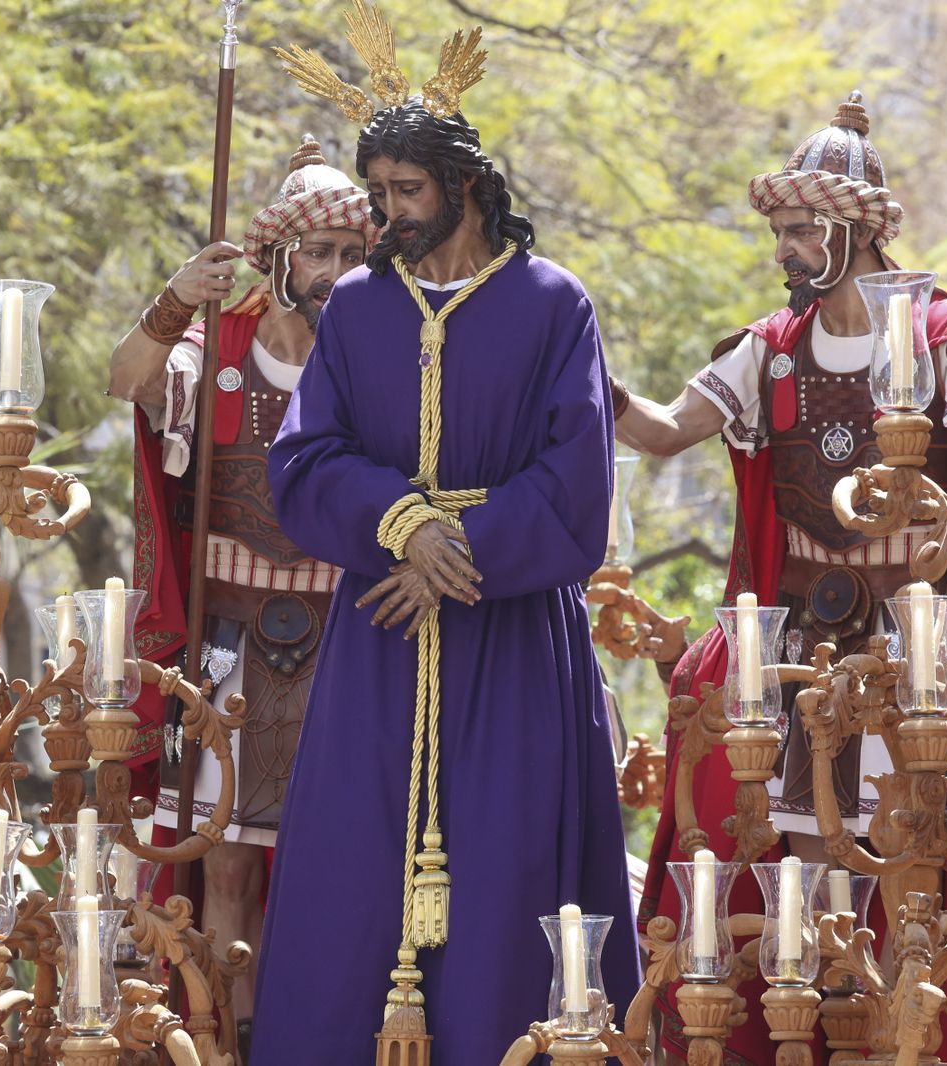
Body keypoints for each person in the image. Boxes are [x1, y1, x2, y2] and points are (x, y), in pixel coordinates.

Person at [611, 94, 947, 1063]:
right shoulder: (768, 350)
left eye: (802, 230)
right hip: (798, 661)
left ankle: (905, 1040)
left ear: (855, 228)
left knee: (910, 876)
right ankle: (809, 1039)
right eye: (779, 231)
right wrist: (578, 367)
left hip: (914, 663)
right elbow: (659, 430)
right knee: (805, 871)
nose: (785, 250)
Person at [250, 9, 638, 1062]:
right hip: (377, 646)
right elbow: (303, 459)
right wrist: (403, 524)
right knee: (352, 867)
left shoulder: (553, 305)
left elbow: (575, 485)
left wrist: (446, 556)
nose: (389, 214)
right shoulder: (356, 308)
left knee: (510, 865)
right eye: (378, 193)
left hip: (511, 646)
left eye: (406, 192)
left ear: (464, 185)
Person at [106, 136, 370, 1027]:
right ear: (277, 255)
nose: (335, 272)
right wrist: (179, 297)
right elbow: (128, 379)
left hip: (342, 639)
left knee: (335, 864)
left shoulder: (374, 357)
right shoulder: (219, 345)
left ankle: (311, 1036)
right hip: (224, 643)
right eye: (319, 252)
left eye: (351, 254)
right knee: (221, 865)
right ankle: (224, 1037)